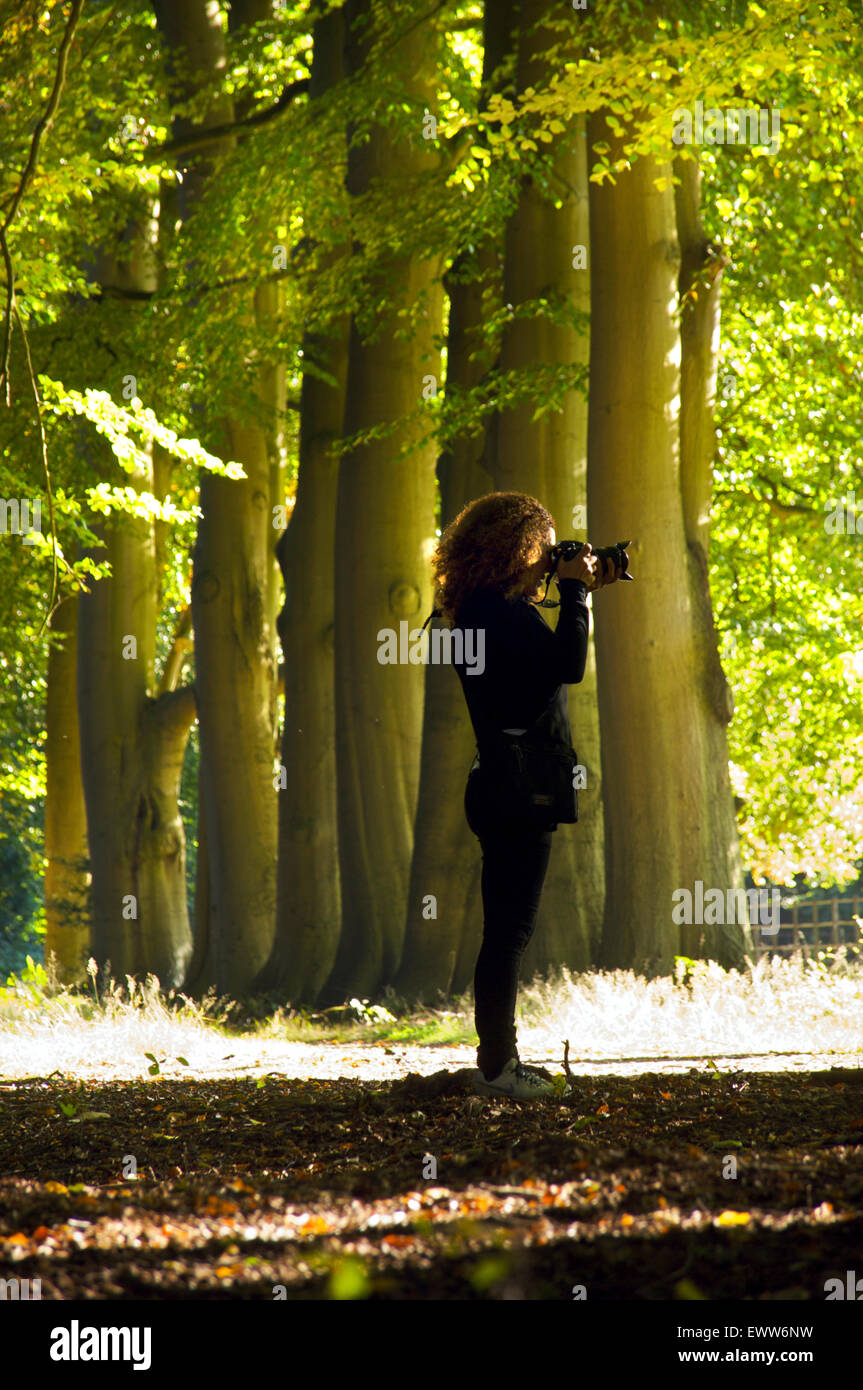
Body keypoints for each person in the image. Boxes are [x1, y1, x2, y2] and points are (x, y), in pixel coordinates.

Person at [429, 492, 622, 1099]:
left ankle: (499, 1063)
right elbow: (568, 664)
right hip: (517, 789)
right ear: (518, 548)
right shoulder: (495, 615)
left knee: (505, 932)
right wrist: (577, 593)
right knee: (508, 935)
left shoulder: (481, 610)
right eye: (542, 548)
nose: (549, 560)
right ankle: (498, 1070)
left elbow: (539, 667)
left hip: (502, 784)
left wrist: (573, 587)